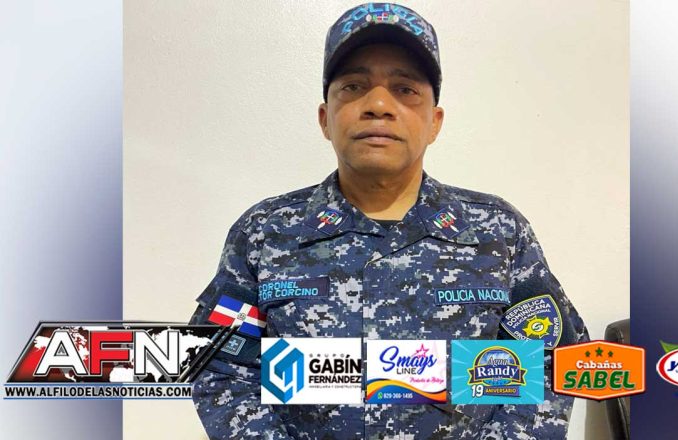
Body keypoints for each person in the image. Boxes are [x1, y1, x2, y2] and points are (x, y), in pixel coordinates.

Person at [189, 3, 588, 439]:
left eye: (405, 89)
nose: (378, 105)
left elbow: (552, 363)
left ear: (435, 122)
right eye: (354, 86)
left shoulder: (498, 232)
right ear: (325, 119)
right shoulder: (265, 233)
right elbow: (219, 367)